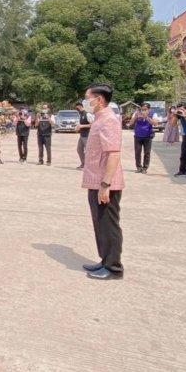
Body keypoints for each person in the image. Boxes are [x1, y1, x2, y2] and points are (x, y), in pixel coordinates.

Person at [80, 84, 125, 280]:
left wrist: (105, 185)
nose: (85, 102)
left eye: (87, 98)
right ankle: (105, 260)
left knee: (108, 225)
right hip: (96, 181)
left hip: (106, 184)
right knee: (100, 224)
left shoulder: (109, 120)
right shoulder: (100, 119)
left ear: (99, 100)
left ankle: (114, 267)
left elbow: (113, 154)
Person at [128, 103, 158, 174]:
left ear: (149, 109)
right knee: (137, 152)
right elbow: (130, 123)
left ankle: (145, 167)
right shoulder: (136, 113)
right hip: (138, 135)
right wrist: (136, 117)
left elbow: (155, 123)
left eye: (145, 110)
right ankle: (138, 167)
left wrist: (147, 117)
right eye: (142, 109)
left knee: (147, 153)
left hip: (148, 136)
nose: (143, 111)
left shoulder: (153, 114)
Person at [75, 101, 92, 169]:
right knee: (79, 149)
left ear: (80, 106)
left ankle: (89, 166)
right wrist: (78, 128)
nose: (77, 108)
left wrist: (82, 126)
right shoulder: (81, 114)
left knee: (88, 151)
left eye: (78, 107)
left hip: (87, 135)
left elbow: (92, 124)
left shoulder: (87, 114)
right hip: (82, 135)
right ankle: (83, 163)